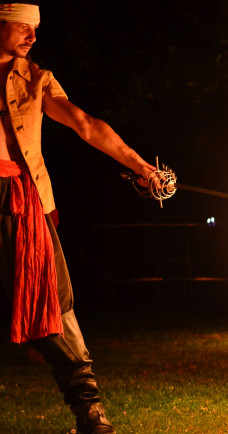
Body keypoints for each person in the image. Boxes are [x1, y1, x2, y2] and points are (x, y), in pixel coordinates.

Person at [0, 2, 158, 433]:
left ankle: (91, 413)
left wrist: (142, 167)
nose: (33, 37)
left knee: (54, 305)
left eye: (36, 29)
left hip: (22, 203)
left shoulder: (37, 80)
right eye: (23, 28)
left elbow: (85, 124)